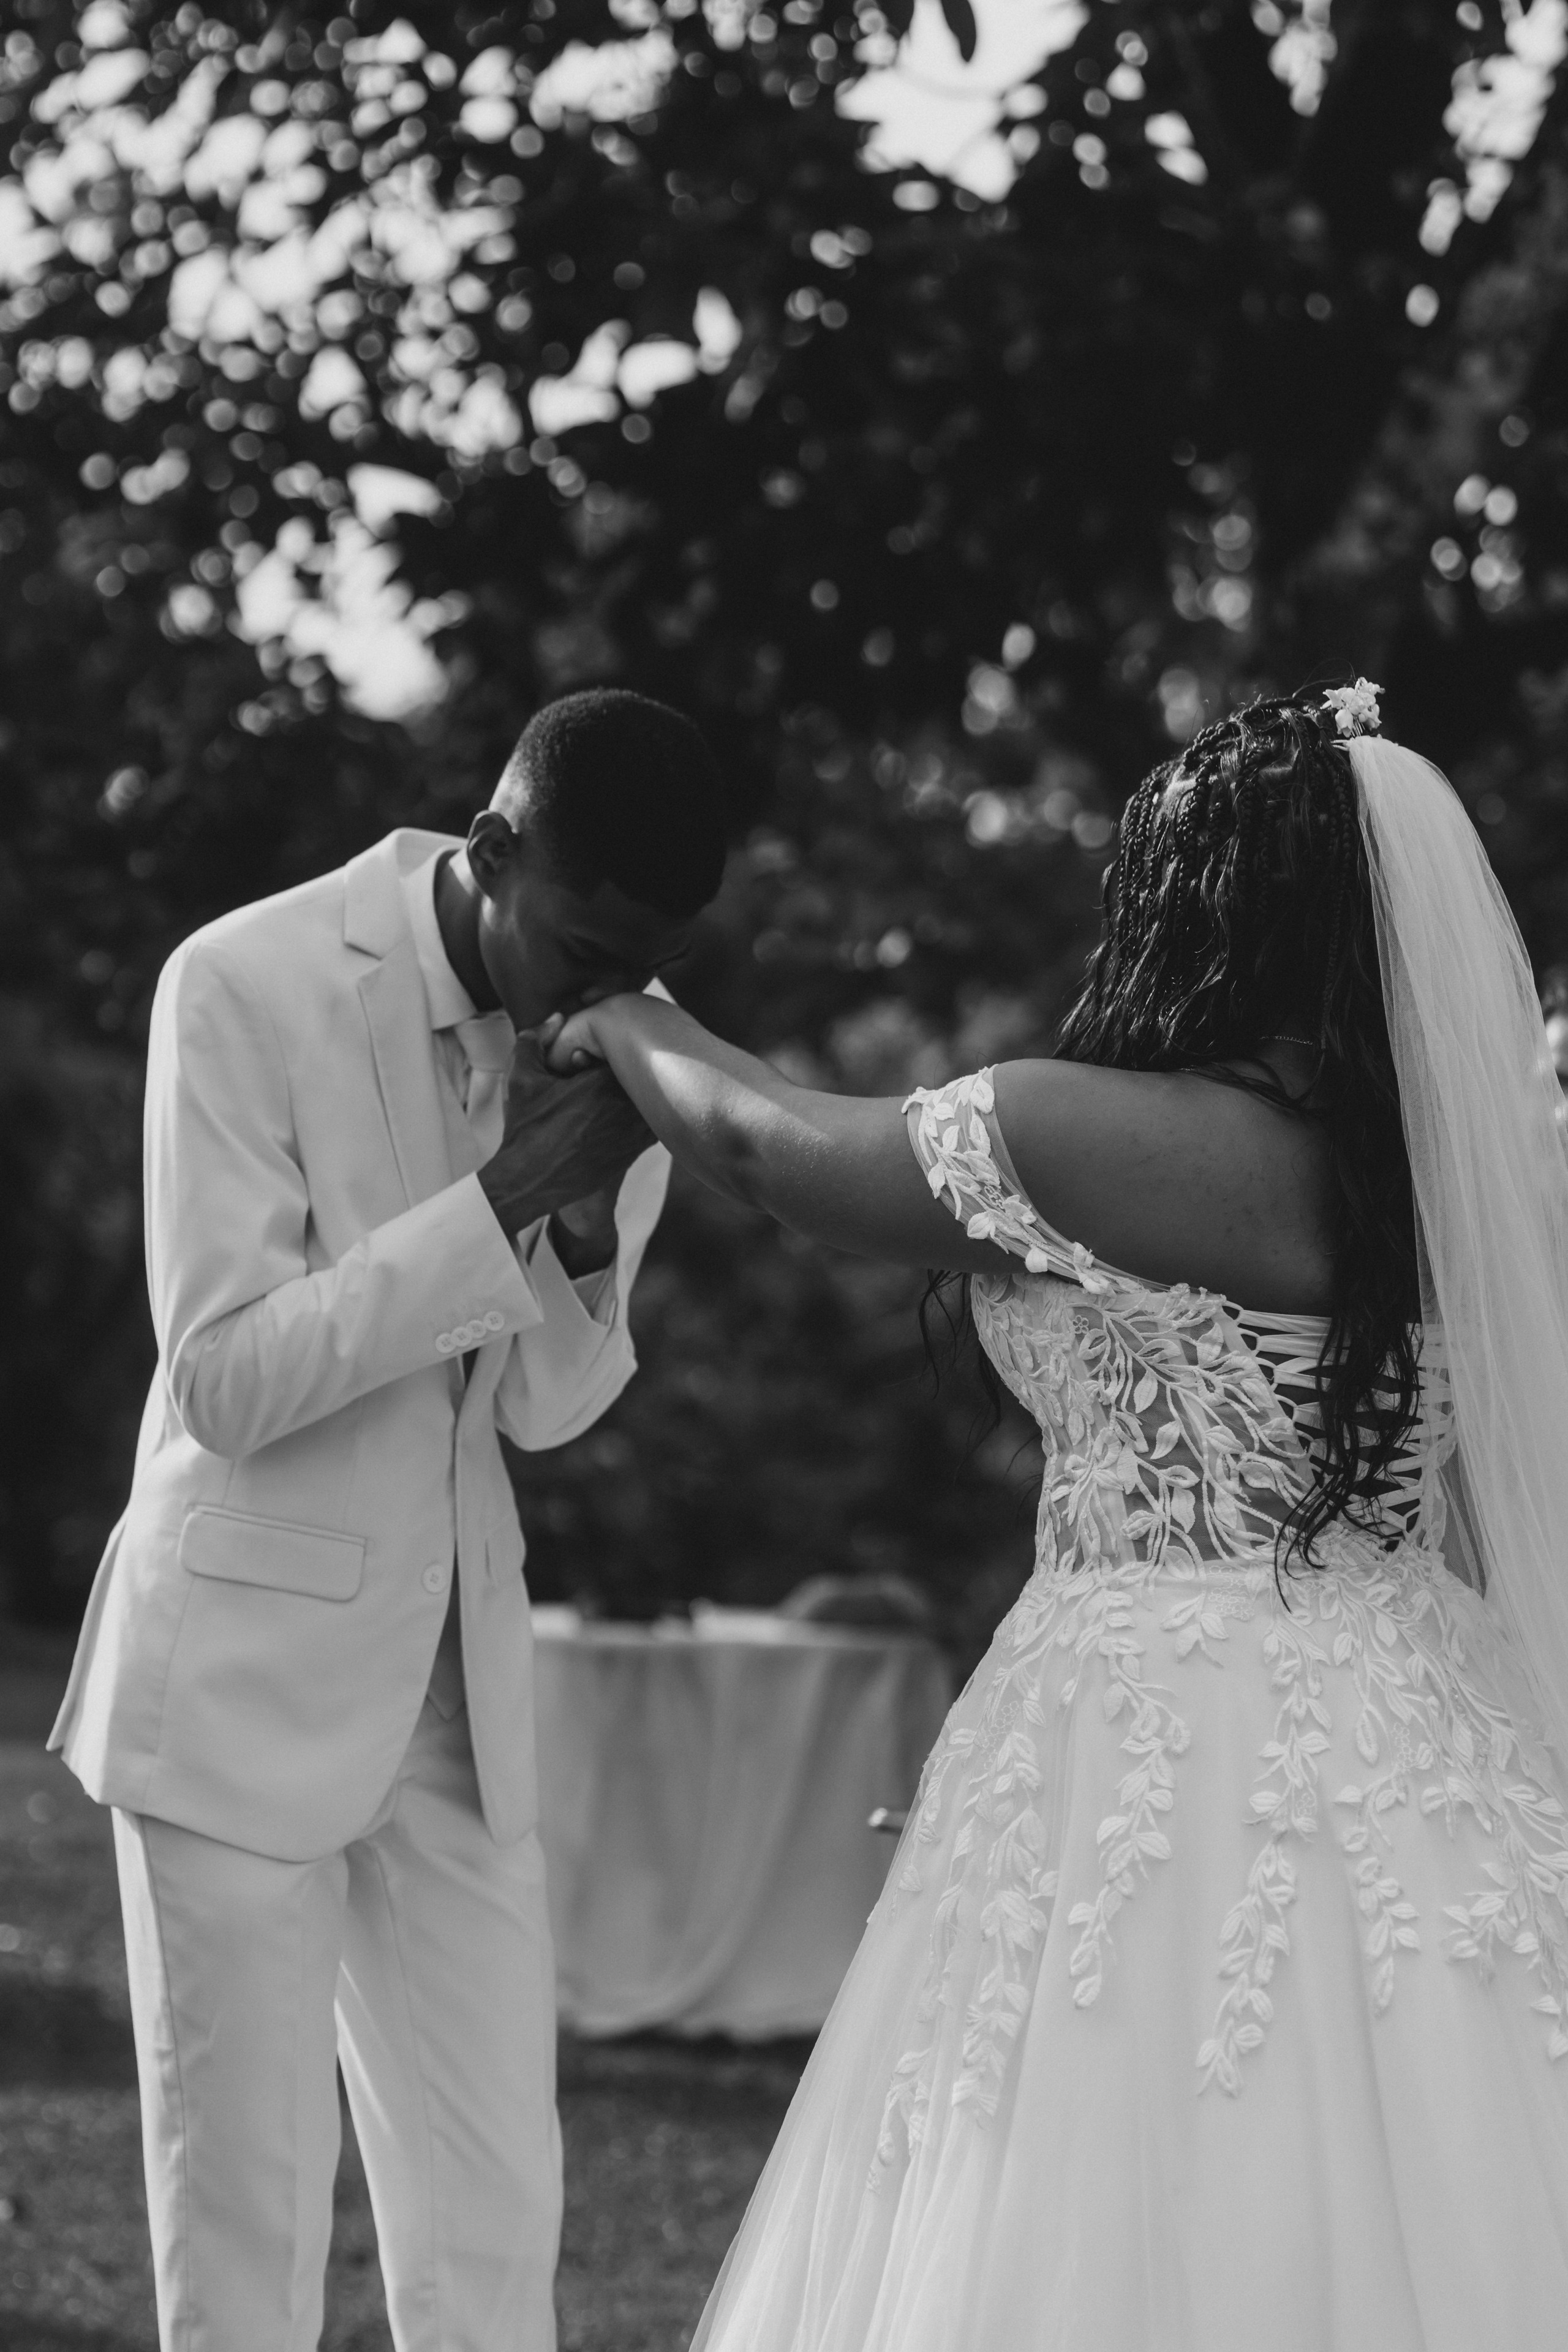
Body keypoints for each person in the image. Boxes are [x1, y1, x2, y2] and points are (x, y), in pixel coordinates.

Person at [543, 685, 1568, 2349]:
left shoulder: (1086, 1134)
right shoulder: (1457, 1185)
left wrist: (631, 1023)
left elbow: (785, 1151)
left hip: (1141, 1723)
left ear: (1205, 909)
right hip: (1421, 1717)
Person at [49, 687, 728, 2352]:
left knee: (501, 2223)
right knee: (247, 2242)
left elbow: (549, 1408)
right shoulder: (239, 981)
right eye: (582, 941)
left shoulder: (622, 1035)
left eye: (638, 960)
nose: (604, 990)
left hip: (457, 1708)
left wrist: (575, 1216)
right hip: (238, 1683)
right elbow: (222, 1378)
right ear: (496, 850)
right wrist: (496, 1196)